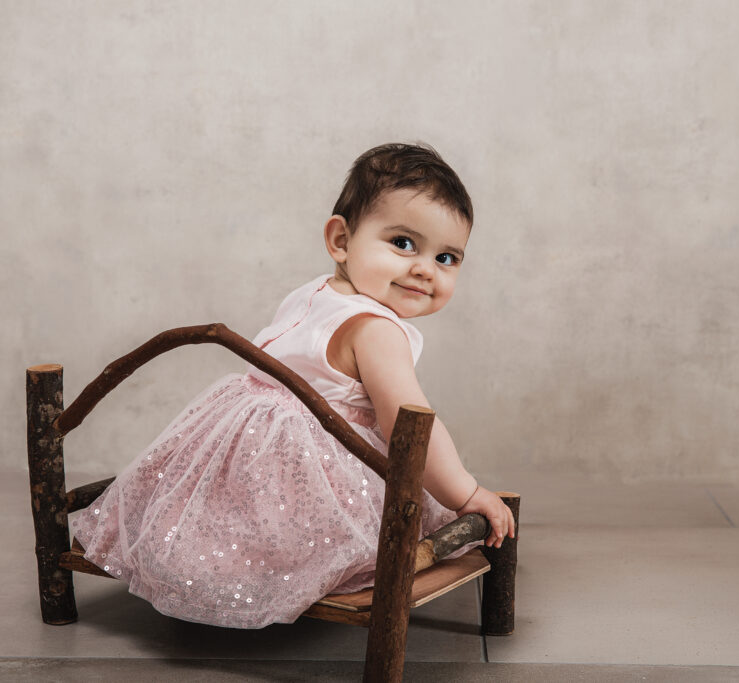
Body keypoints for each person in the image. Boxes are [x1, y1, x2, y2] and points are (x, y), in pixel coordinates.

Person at [69, 142, 515, 629]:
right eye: (403, 243)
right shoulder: (376, 331)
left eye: (446, 257)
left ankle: (214, 556)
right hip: (302, 468)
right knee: (362, 523)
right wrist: (465, 493)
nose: (425, 269)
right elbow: (410, 429)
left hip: (247, 452)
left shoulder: (318, 292)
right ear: (341, 240)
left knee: (226, 522)